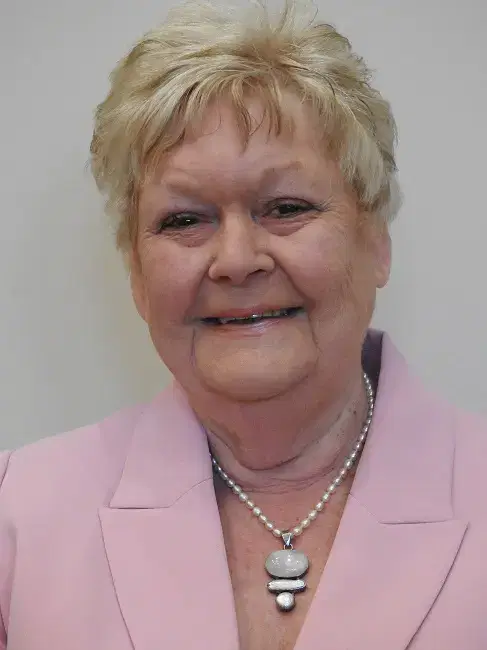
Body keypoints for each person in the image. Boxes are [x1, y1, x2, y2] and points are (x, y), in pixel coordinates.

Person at [1, 1, 486, 648]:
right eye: (184, 220)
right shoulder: (17, 514)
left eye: (285, 208)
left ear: (375, 241)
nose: (235, 260)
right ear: (136, 272)